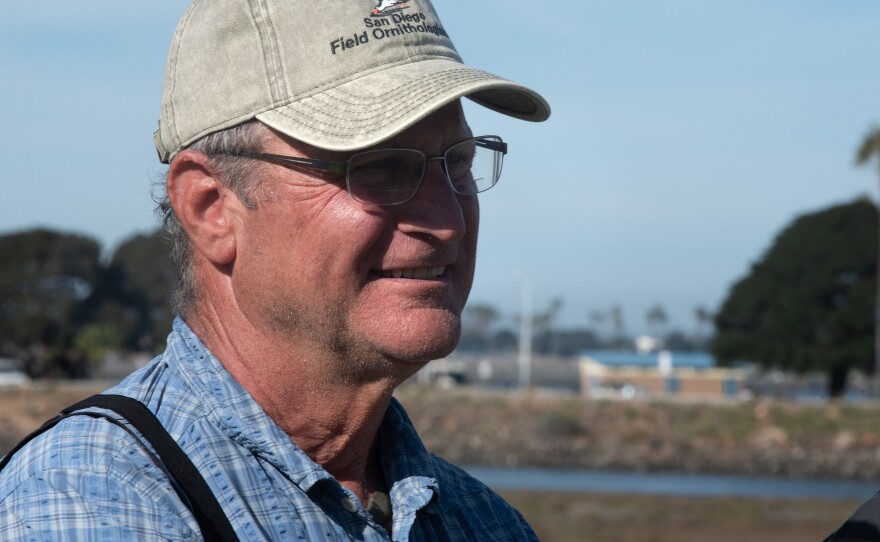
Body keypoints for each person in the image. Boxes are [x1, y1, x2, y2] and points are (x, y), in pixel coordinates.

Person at [0, 0, 549, 539]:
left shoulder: (485, 520)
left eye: (458, 162)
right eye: (382, 166)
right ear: (210, 208)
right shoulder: (90, 499)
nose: (447, 220)